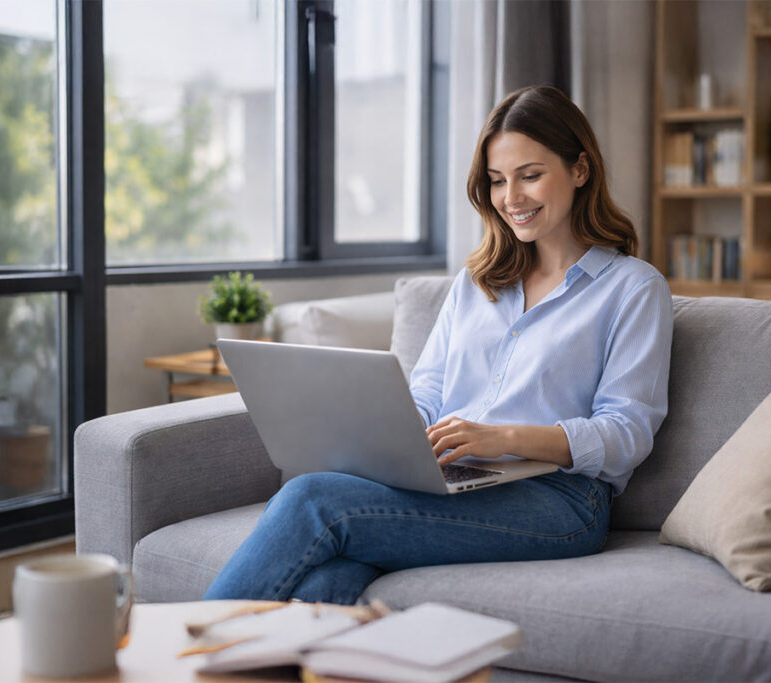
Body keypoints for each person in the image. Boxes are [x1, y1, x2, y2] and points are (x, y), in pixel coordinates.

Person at [204, 85, 673, 604]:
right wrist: (385, 436)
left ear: (580, 169)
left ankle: (177, 660)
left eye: (530, 175)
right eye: (497, 181)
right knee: (326, 580)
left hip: (561, 500)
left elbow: (627, 432)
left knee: (312, 501)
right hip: (451, 477)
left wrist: (503, 438)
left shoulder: (633, 287)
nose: (511, 198)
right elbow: (427, 391)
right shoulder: (477, 282)